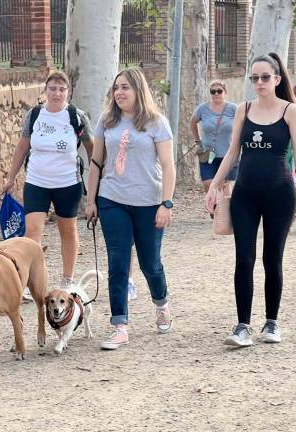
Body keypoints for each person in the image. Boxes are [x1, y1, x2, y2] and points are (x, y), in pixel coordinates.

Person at [204, 53, 296, 347]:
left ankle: (272, 323)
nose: (260, 82)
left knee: (272, 258)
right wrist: (214, 186)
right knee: (244, 259)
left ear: (277, 80)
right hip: (245, 195)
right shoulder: (243, 109)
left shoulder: (290, 111)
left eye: (265, 77)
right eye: (255, 78)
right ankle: (242, 326)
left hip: (280, 193)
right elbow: (232, 152)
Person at [85, 67, 176, 350]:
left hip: (149, 203)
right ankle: (119, 325)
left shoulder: (156, 122)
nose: (119, 92)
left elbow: (168, 165)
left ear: (138, 90)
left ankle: (161, 303)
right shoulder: (106, 121)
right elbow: (96, 162)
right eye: (116, 88)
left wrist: (166, 203)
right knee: (118, 264)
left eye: (125, 87)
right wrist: (91, 200)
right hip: (112, 200)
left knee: (151, 264)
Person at [2, 71, 93, 291]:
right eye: (52, 88)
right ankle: (27, 281)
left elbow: (92, 147)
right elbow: (23, 146)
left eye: (62, 89)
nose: (57, 93)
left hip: (68, 183)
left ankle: (67, 280)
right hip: (36, 181)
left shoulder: (76, 116)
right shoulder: (34, 115)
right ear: (45, 90)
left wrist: (97, 180)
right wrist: (11, 176)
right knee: (32, 231)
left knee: (68, 229)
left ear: (68, 92)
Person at [191, 80, 238, 194]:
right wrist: (197, 140)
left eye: (219, 91)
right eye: (213, 91)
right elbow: (193, 122)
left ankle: (225, 211)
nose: (216, 94)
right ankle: (213, 210)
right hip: (207, 154)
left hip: (228, 154)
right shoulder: (202, 109)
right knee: (208, 184)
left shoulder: (234, 108)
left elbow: (242, 125)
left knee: (225, 186)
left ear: (225, 92)